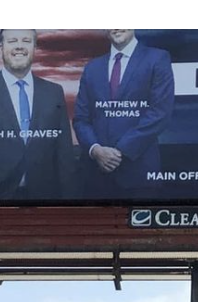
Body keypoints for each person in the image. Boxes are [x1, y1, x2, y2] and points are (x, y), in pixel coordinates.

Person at [0, 30, 78, 202]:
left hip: (45, 197)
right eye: (12, 41)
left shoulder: (54, 92)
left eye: (26, 41)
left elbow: (64, 150)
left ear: (34, 47)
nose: (19, 46)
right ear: (1, 47)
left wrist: (69, 199)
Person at [73, 30, 175, 198]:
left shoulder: (157, 59)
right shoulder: (92, 68)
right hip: (96, 176)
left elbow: (160, 113)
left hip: (139, 173)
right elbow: (81, 119)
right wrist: (96, 150)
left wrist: (120, 151)